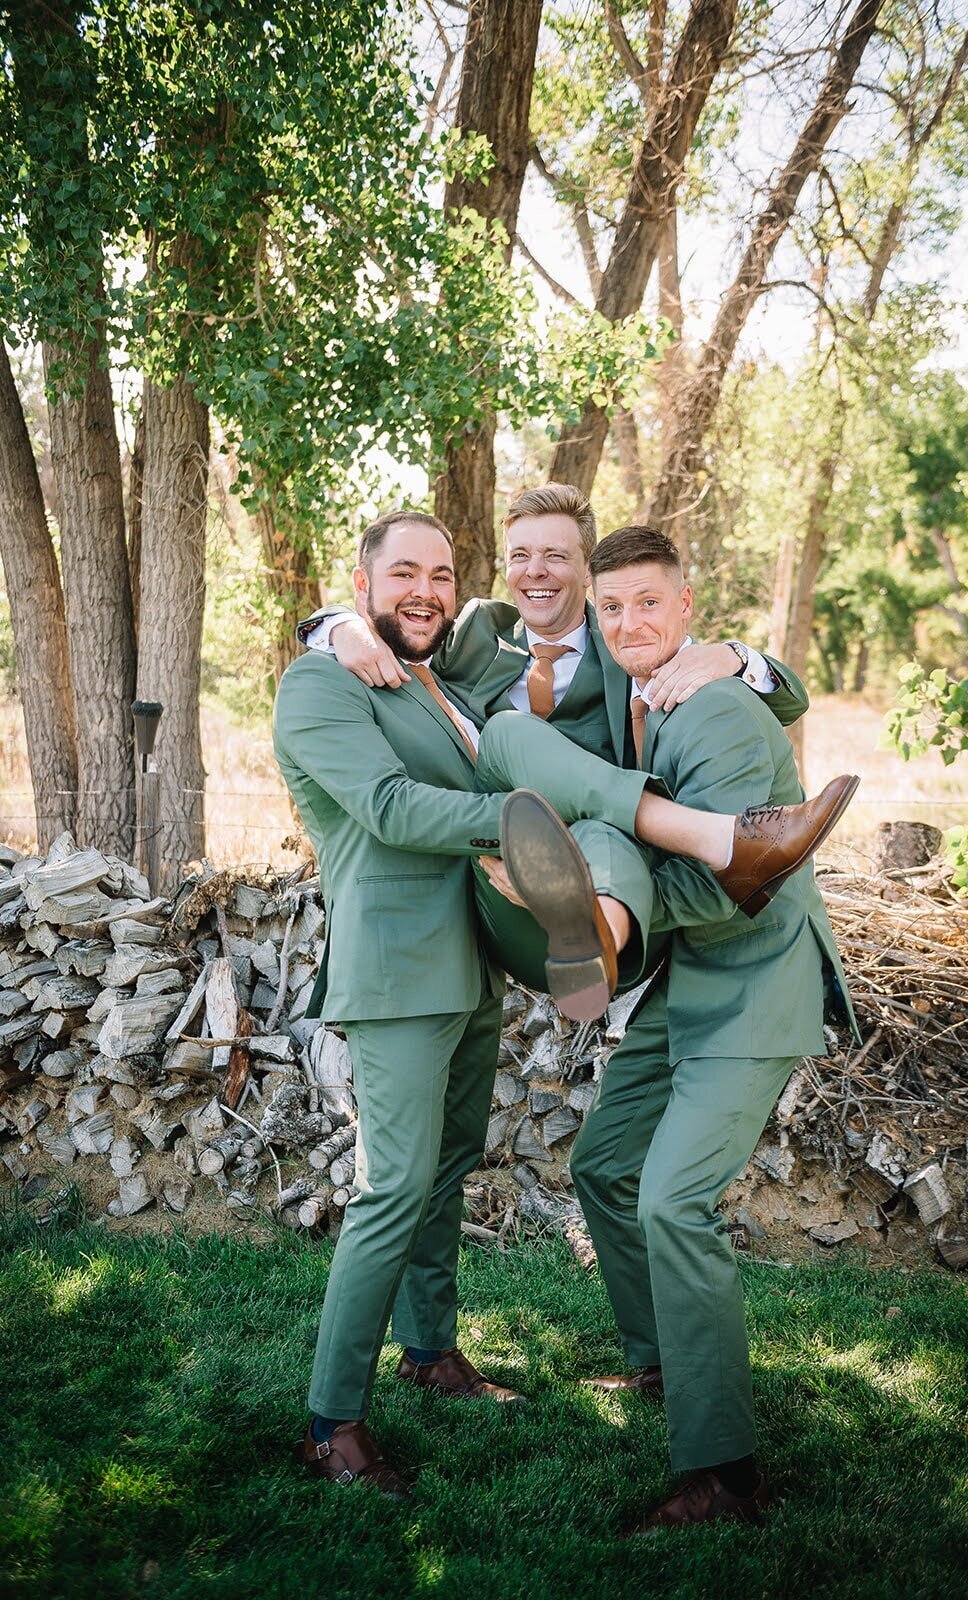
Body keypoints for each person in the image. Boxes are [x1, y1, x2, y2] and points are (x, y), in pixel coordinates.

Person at [274, 509, 848, 1497]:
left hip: (486, 961)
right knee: (396, 1190)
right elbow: (393, 805)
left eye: (440, 574)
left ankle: (429, 1350)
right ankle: (333, 1422)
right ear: (365, 583)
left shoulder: (459, 671)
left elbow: (772, 679)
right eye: (404, 573)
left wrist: (734, 656)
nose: (427, 590)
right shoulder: (353, 672)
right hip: (401, 968)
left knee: (444, 1170)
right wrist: (331, 626)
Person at [480, 525, 860, 1532]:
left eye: (649, 601)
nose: (629, 622)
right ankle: (663, 1367)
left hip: (752, 986)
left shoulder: (722, 705)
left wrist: (619, 891)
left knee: (672, 1202)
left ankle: (724, 1473)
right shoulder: (637, 702)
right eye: (613, 608)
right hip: (683, 985)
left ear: (689, 605)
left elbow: (743, 884)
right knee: (604, 1165)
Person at [299, 480, 822, 1016]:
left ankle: (597, 940)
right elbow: (405, 618)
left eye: (556, 556)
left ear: (588, 572)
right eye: (520, 556)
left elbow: (788, 703)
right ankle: (714, 840)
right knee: (507, 733)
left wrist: (734, 656)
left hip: (620, 892)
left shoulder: (627, 636)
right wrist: (338, 625)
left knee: (593, 825)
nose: (536, 571)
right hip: (504, 889)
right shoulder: (476, 633)